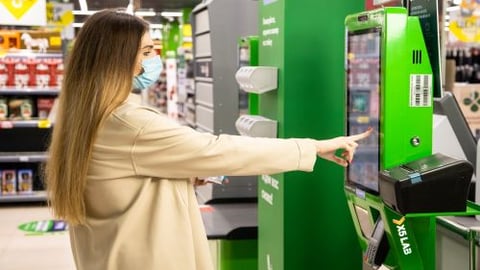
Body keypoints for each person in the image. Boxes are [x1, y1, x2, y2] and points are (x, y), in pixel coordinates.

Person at [44, 9, 372, 270]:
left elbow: (121, 186)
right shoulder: (131, 123)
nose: (153, 58)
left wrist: (180, 174)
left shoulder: (85, 118)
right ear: (117, 59)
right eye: (145, 51)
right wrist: (311, 147)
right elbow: (217, 150)